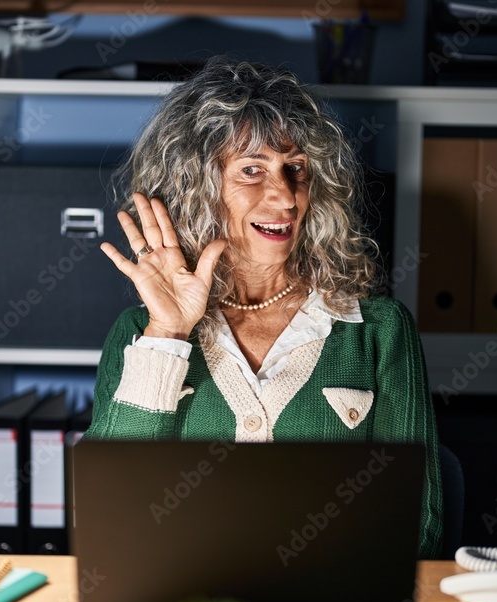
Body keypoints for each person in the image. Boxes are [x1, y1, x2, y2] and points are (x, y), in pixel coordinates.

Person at [85, 57, 444, 558]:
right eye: (252, 170)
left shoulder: (380, 330)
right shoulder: (138, 334)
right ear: (199, 190)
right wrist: (167, 335)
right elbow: (108, 520)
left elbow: (418, 524)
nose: (285, 195)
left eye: (295, 169)